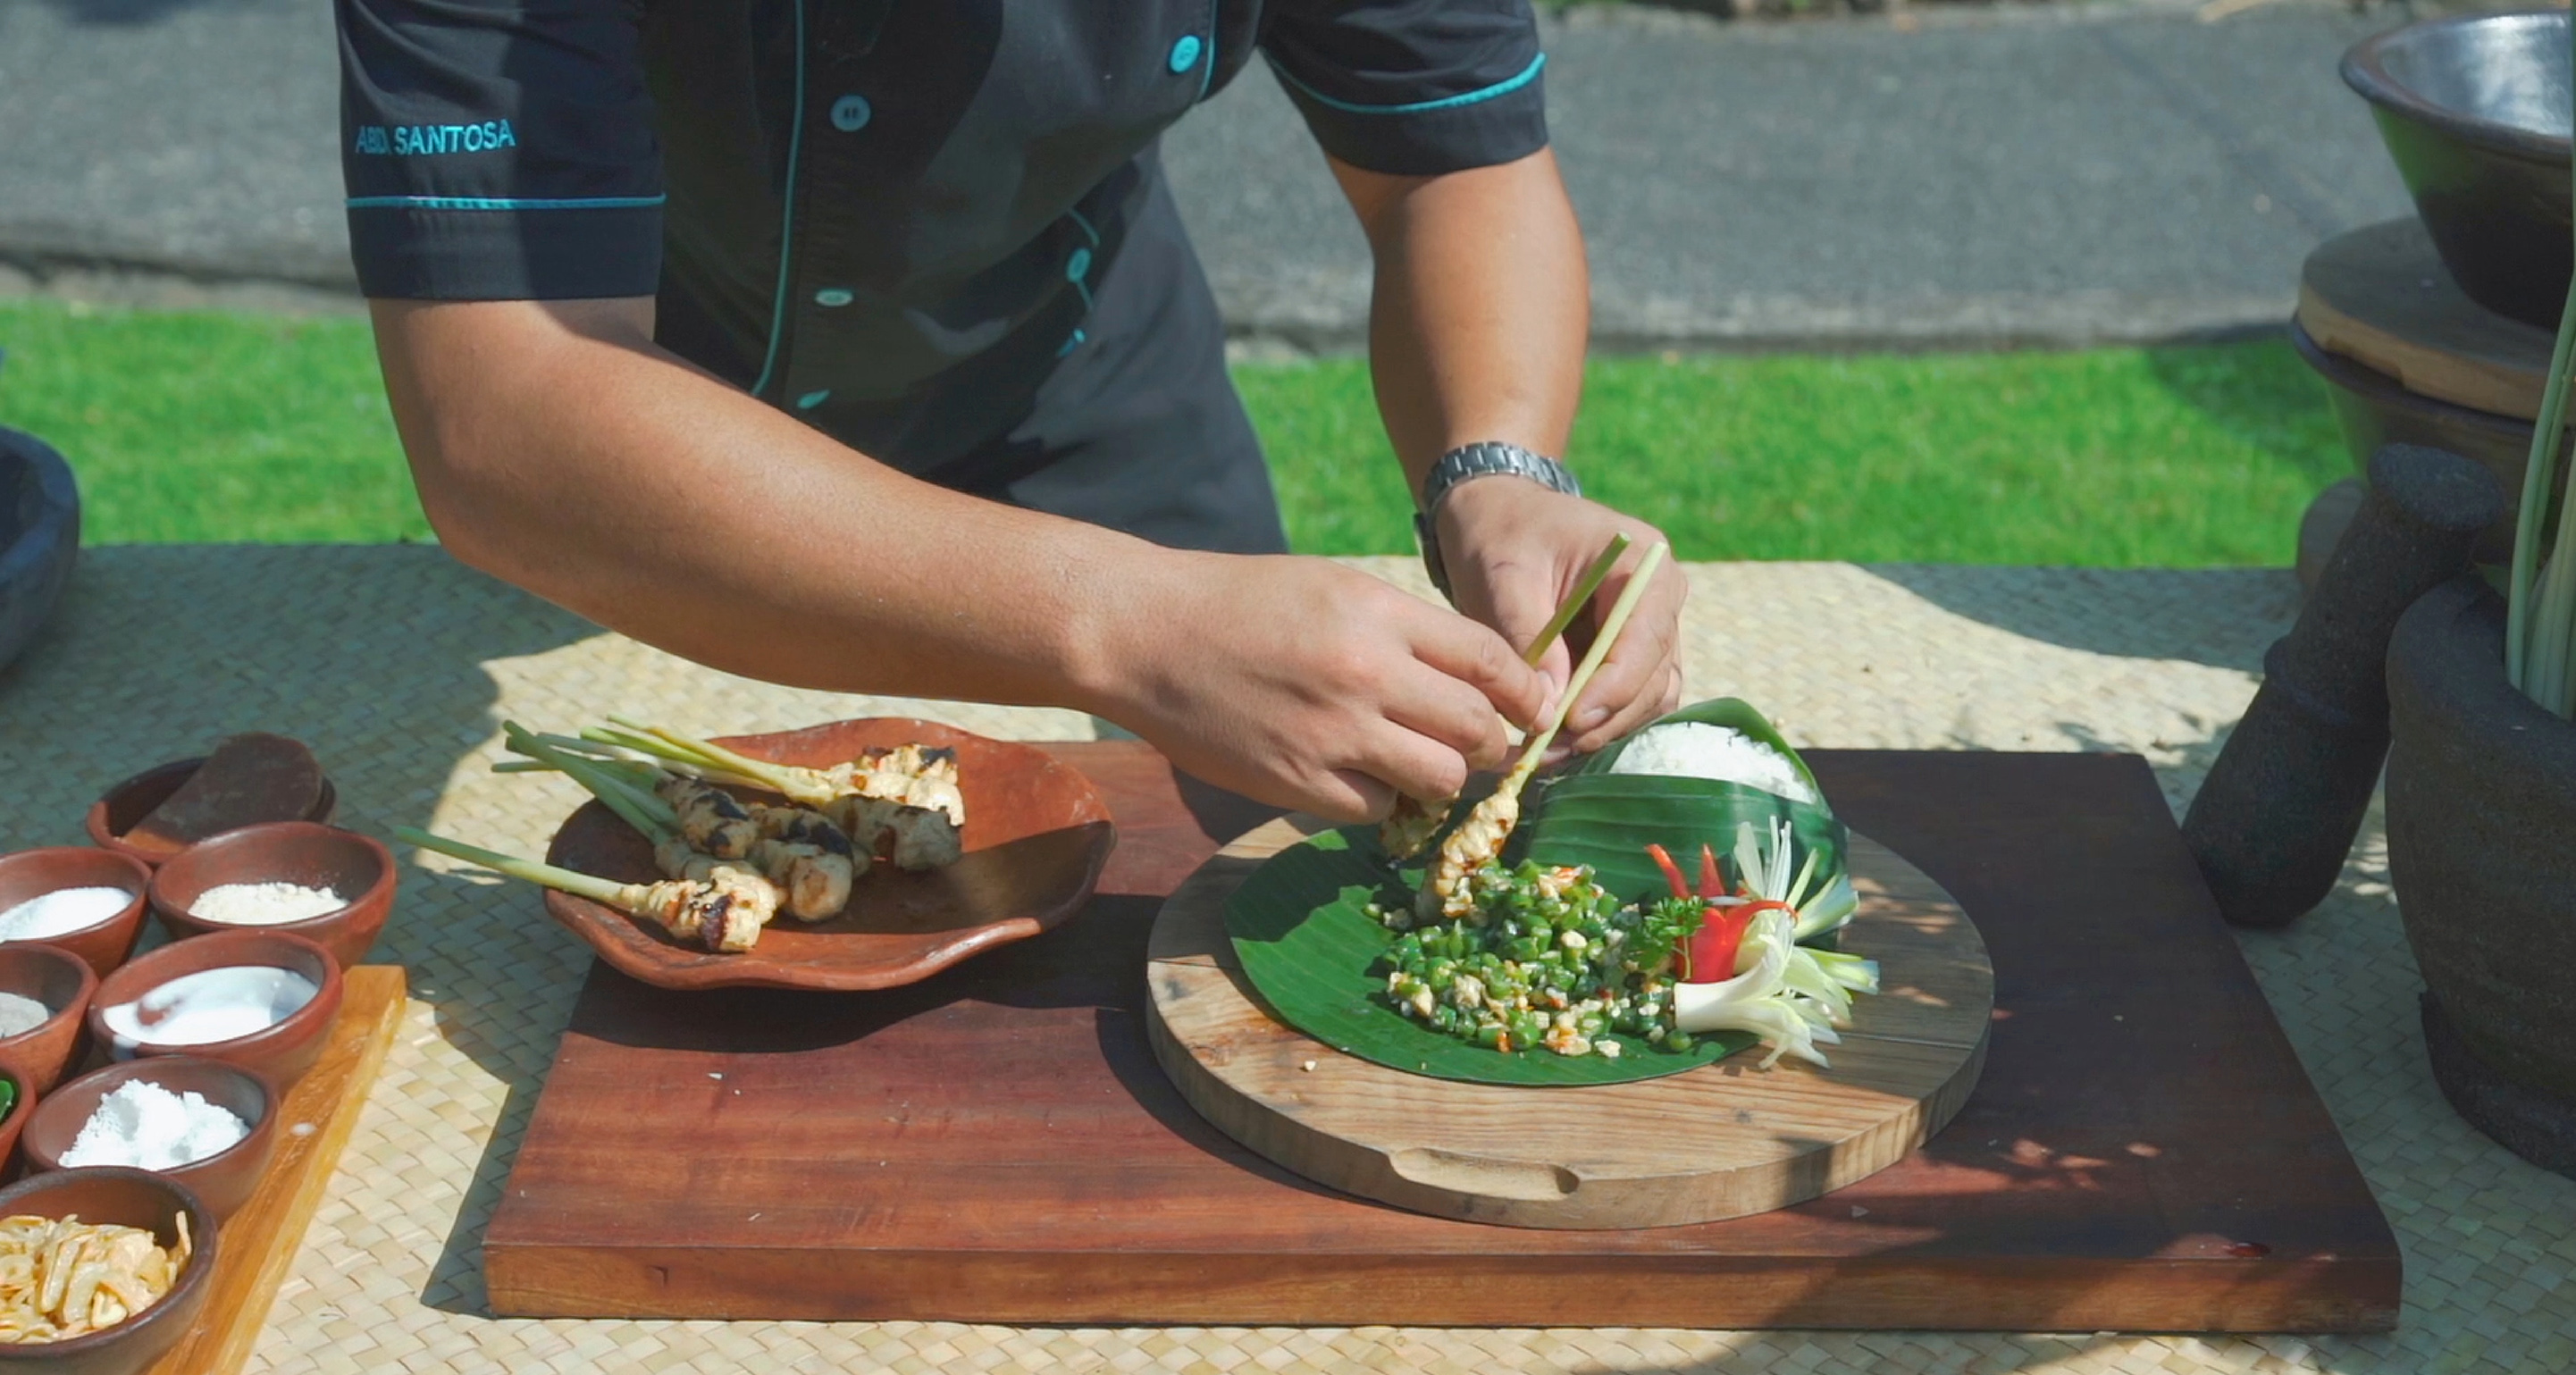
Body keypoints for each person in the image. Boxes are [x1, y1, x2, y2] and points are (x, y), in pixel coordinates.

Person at [337, 1, 1686, 820]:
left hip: (1076, 375)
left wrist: (1497, 467)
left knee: (1283, 874)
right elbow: (504, 415)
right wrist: (1131, 623)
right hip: (635, 427)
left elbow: (1452, 167)